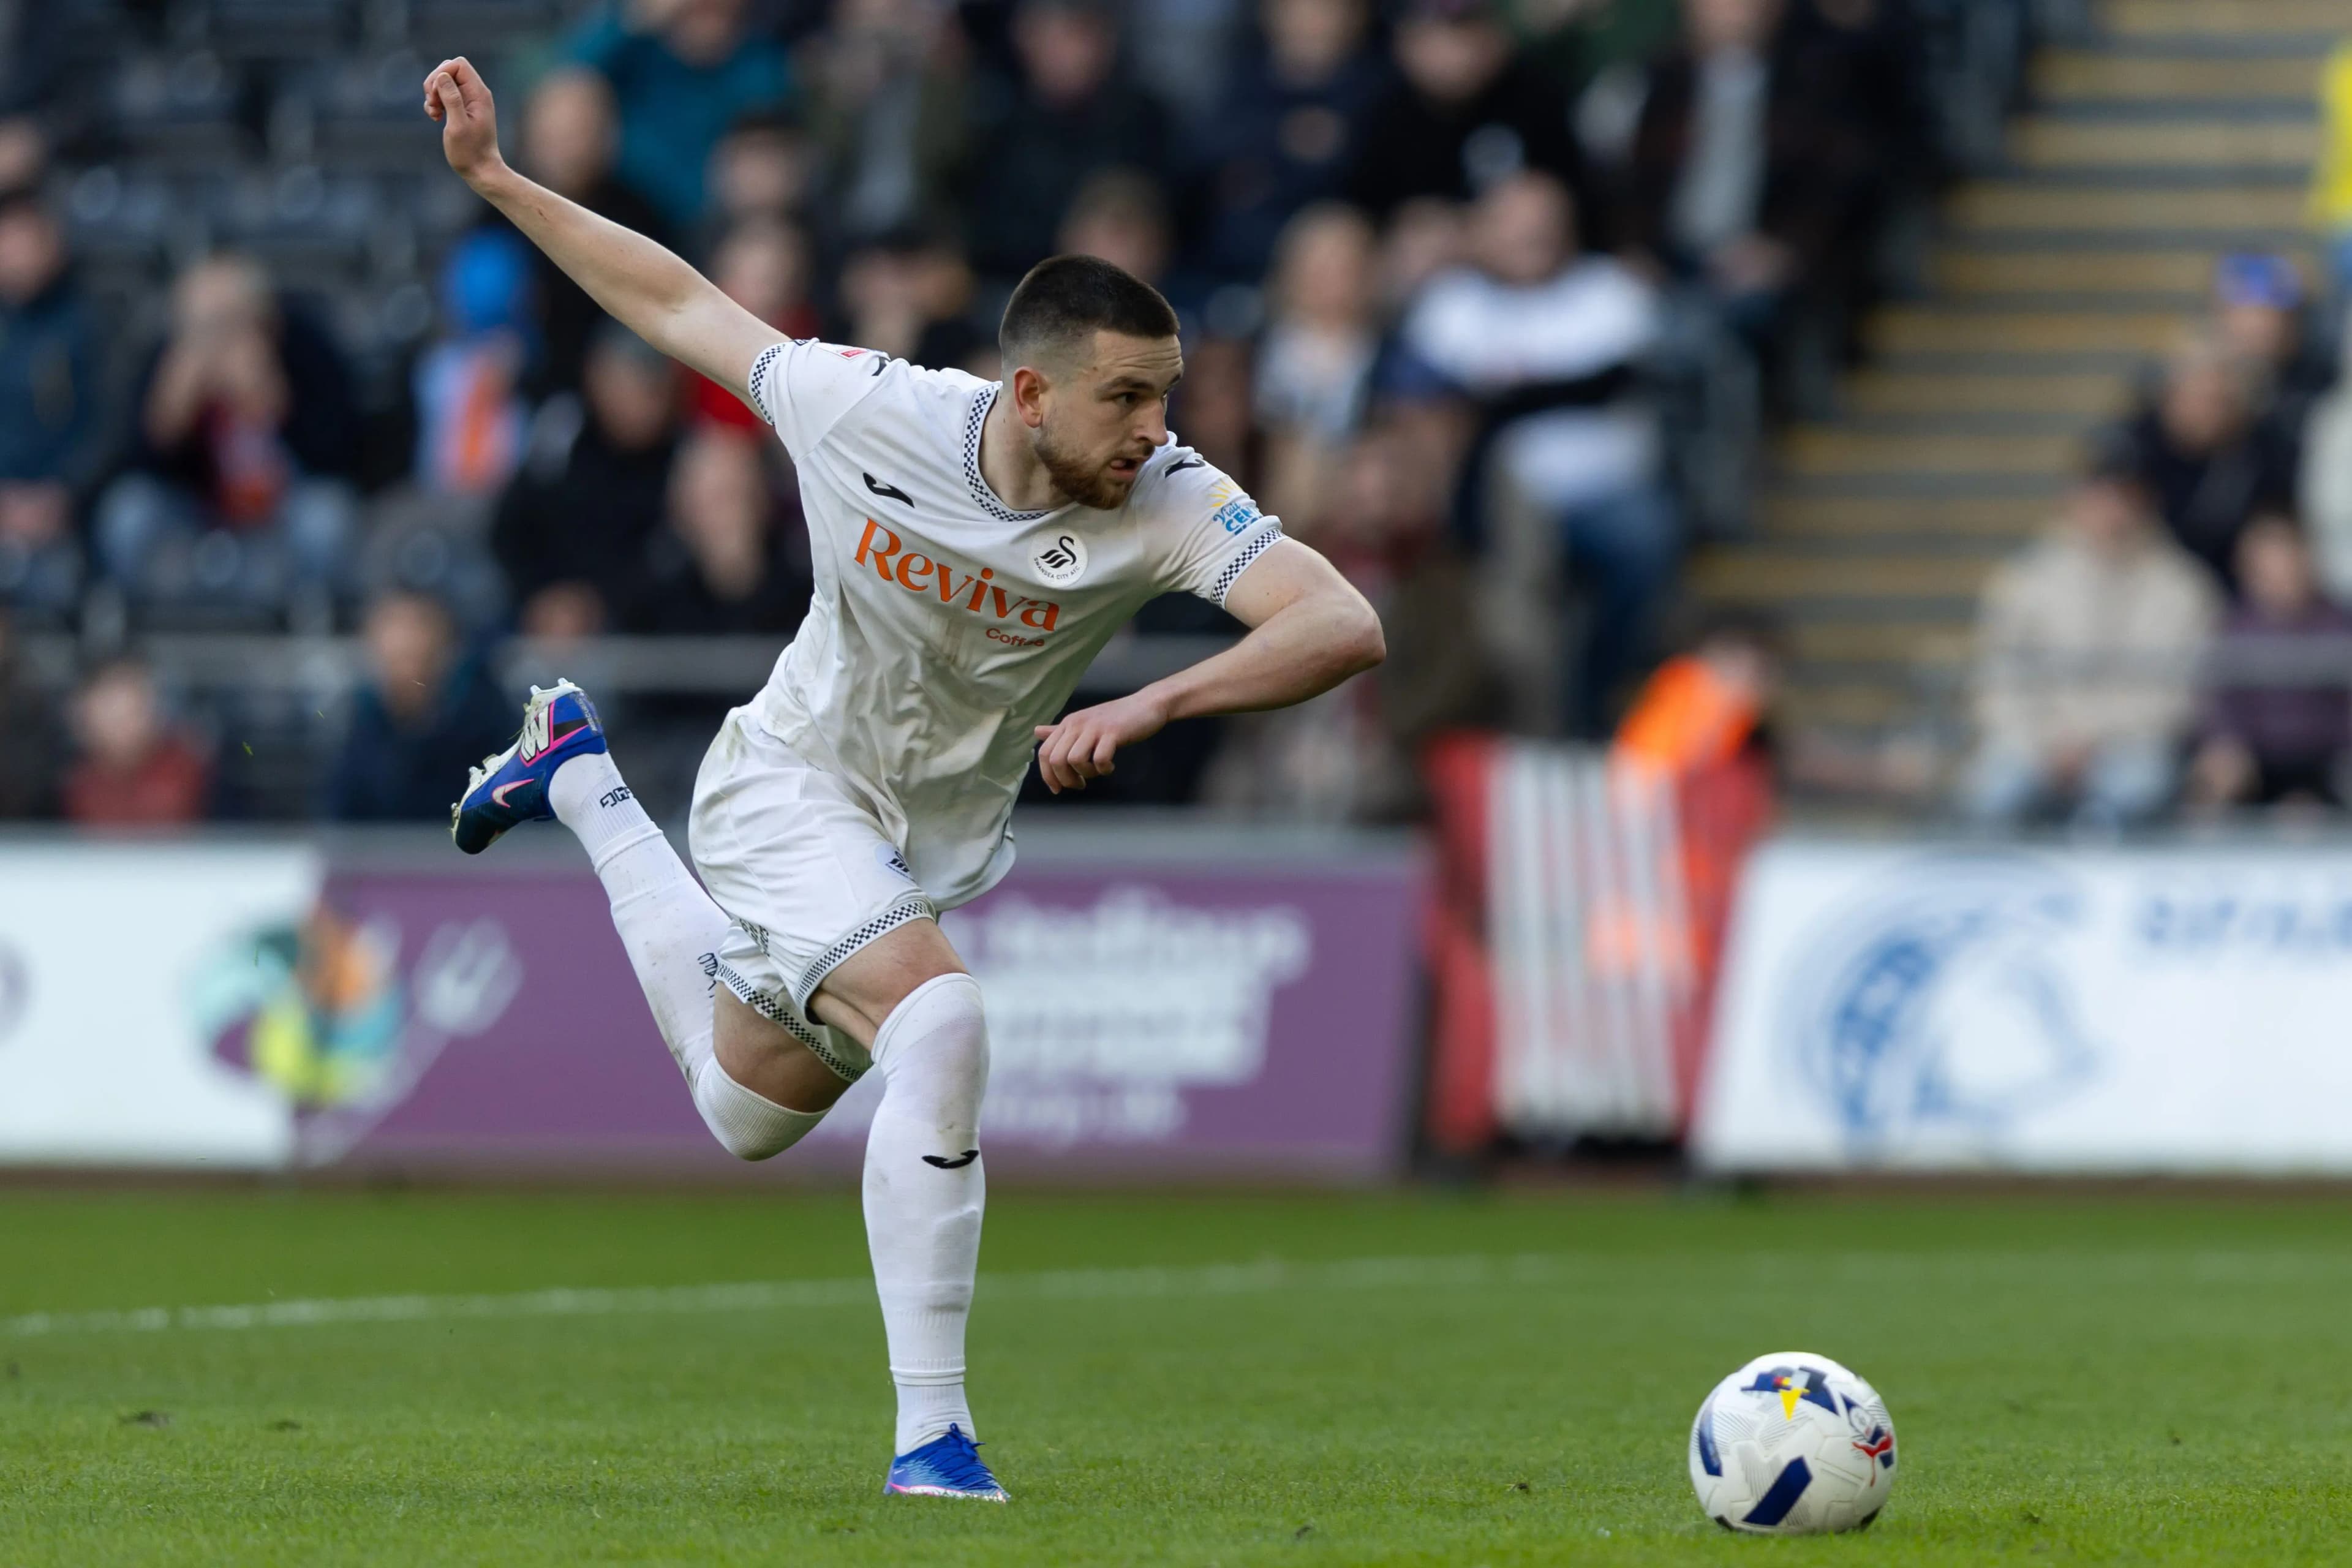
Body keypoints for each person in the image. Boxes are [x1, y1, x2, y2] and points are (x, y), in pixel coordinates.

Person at [424, 55, 1382, 1499]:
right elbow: (680, 302)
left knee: (742, 1112)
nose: (1150, 428)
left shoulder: (1169, 497)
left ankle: (579, 778)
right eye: (1122, 398)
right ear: (1026, 390)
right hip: (786, 786)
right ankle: (932, 1439)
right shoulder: (867, 408)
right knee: (939, 1022)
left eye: (1162, 397)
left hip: (920, 842)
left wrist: (1159, 696)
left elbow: (1342, 623)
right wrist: (500, 180)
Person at [1398, 170, 1673, 734]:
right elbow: (1425, 408)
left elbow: (1616, 382)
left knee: (1649, 541)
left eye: (1545, 227)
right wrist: (1555, 393)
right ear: (1482, 233)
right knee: (1503, 607)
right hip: (1491, 506)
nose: (1533, 240)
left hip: (1603, 497)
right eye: (1516, 228)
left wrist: (1503, 403)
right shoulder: (1449, 304)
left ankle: (1593, 702)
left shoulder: (1610, 291)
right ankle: (1527, 728)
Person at [94, 254, 361, 621]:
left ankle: (316, 623)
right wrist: (171, 412)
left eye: (229, 324)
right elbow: (133, 463)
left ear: (263, 320)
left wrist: (272, 402)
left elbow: (336, 457)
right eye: (201, 327)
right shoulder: (166, 358)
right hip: (198, 509)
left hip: (283, 507)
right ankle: (131, 625)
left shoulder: (306, 350)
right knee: (129, 513)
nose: (215, 341)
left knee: (327, 518)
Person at [1960, 453, 2220, 830]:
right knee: (1991, 792)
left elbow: (2184, 695)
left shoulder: (2184, 587)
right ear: (2073, 502)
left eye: (2124, 499)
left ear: (2146, 505)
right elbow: (1997, 682)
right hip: (2035, 743)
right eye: (2099, 498)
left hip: (2132, 743)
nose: (2111, 512)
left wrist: (2091, 738)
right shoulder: (2025, 580)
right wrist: (2048, 742)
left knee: (2138, 789)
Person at [491, 323, 682, 637]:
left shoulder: (685, 457)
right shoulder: (561, 438)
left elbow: (671, 556)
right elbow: (512, 529)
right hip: (547, 617)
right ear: (596, 379)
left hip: (643, 628)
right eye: (628, 383)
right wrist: (542, 598)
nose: (642, 402)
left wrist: (598, 604)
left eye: (653, 387)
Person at [563, 0, 794, 228]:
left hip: (714, 232)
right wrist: (634, 21)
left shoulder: (760, 65)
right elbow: (569, 82)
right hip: (624, 216)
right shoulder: (638, 50)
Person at [512, 67, 671, 398]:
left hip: (620, 394)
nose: (568, 149)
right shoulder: (497, 219)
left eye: (580, 132)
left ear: (608, 135)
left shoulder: (640, 219)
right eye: (554, 135)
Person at [2186, 518, 2352, 813]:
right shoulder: (2232, 627)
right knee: (2215, 772)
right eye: (2270, 573)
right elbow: (2220, 704)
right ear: (2250, 573)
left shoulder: (2339, 624)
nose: (2282, 582)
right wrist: (2229, 744)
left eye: (2290, 568)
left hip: (2323, 757)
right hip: (2254, 757)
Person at [2118, 333, 2300, 592]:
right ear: (2170, 397)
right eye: (2194, 397)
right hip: (2150, 582)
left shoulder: (2261, 453)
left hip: (2239, 589)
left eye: (2218, 401)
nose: (2205, 412)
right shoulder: (2136, 450)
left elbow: (2273, 521)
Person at [325, 590, 518, 821]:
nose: (405, 640)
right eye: (392, 626)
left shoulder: (488, 716)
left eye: (417, 626)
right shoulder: (358, 721)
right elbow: (340, 819)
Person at [0, 184, 96, 619]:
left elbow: (109, 430)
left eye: (25, 236)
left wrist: (63, 496)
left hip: (64, 509)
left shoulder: (91, 322)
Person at [625, 427, 812, 635]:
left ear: (763, 502)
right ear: (684, 511)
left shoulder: (811, 602)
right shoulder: (653, 613)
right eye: (716, 499)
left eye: (738, 495)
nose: (730, 514)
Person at [61, 658, 210, 826]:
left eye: (134, 712)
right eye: (114, 716)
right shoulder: (69, 783)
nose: (125, 727)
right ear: (84, 716)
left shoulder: (189, 772)